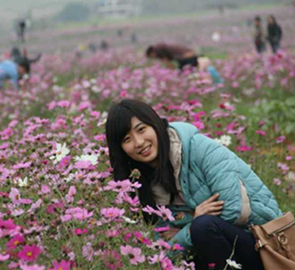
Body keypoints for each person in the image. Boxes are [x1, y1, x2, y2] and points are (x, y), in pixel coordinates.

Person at [105, 99, 282, 270]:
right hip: (212, 251)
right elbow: (161, 248)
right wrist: (193, 224)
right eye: (127, 139)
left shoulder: (201, 148)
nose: (139, 142)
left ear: (155, 123)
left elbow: (233, 211)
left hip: (263, 247)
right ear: (120, 149)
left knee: (203, 228)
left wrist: (186, 229)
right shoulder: (139, 183)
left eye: (141, 129)